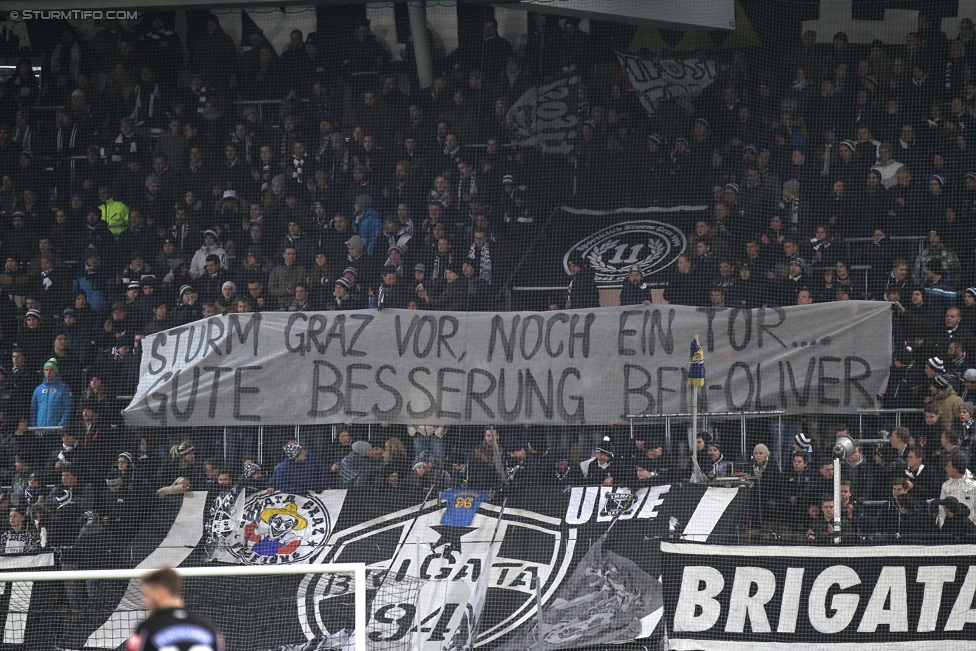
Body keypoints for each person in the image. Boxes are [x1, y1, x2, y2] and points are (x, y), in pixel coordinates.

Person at [127, 567, 225, 651]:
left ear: (161, 594)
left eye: (147, 596)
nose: (145, 602)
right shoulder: (209, 628)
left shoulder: (147, 629)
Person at [29, 358, 73, 434]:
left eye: (51, 370)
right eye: (46, 370)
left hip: (56, 431)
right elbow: (34, 409)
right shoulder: (38, 389)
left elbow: (68, 407)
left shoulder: (64, 388)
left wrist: (62, 425)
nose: (48, 372)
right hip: (40, 432)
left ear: (56, 371)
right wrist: (33, 426)